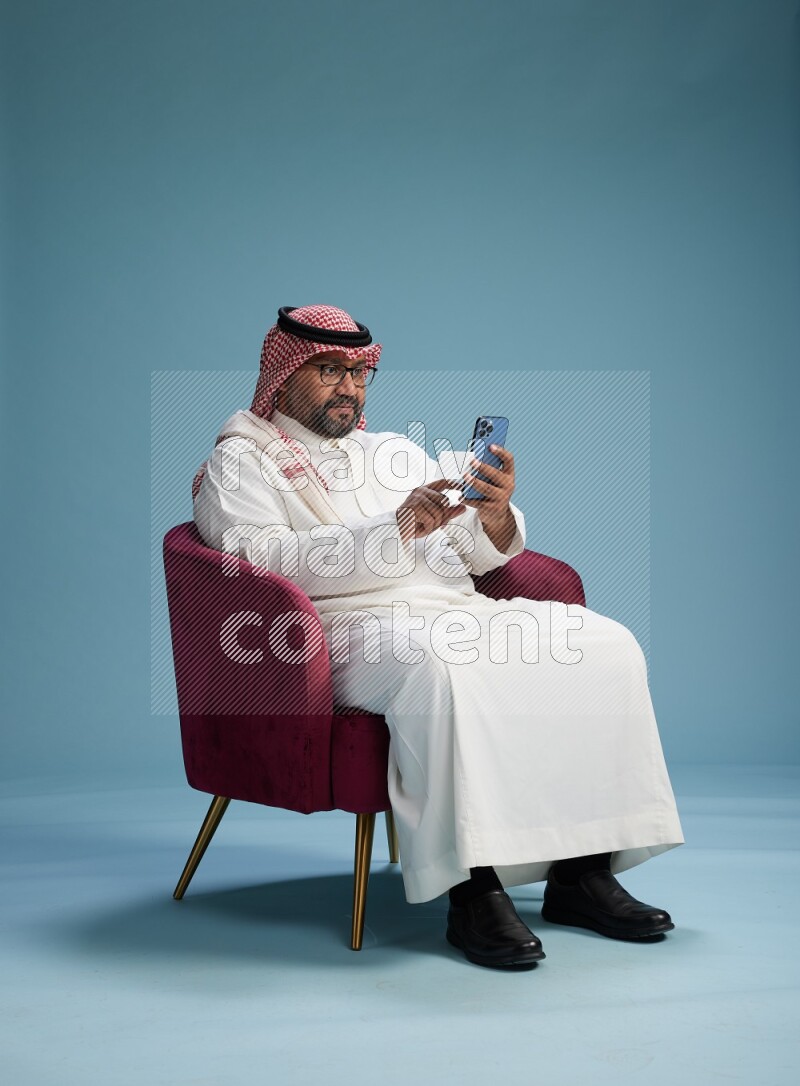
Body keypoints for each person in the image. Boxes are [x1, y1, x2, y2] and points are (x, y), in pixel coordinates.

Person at [191, 303, 685, 969]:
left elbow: (478, 557)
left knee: (604, 647)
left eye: (358, 374)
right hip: (336, 631)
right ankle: (472, 889)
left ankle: (582, 873)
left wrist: (496, 511)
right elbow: (261, 565)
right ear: (282, 377)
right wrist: (390, 531)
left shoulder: (388, 451)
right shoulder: (241, 463)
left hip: (451, 608)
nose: (349, 388)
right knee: (443, 670)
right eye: (329, 371)